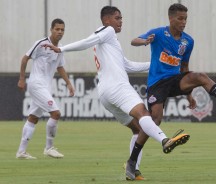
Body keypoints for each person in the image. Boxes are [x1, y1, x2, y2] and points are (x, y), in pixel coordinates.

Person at [43, 6, 190, 180]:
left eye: (121, 18)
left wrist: (156, 64)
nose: (121, 21)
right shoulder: (108, 31)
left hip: (105, 94)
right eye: (117, 18)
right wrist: (62, 49)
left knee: (138, 129)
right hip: (117, 86)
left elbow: (127, 65)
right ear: (107, 20)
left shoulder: (109, 41)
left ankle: (132, 170)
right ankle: (165, 140)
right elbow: (86, 41)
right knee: (144, 113)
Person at [131, 1, 216, 159]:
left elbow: (184, 67)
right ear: (171, 19)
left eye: (185, 19)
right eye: (180, 19)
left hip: (176, 80)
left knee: (200, 76)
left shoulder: (188, 41)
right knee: (155, 120)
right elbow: (133, 41)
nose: (183, 22)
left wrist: (189, 94)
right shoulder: (159, 33)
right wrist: (145, 41)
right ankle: (132, 161)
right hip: (157, 83)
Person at [16, 18, 75, 159]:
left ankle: (21, 152)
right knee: (56, 113)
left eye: (62, 29)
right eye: (57, 29)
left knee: (33, 118)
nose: (60, 32)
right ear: (51, 30)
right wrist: (22, 78)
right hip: (36, 84)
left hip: (45, 87)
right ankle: (49, 148)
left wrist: (68, 83)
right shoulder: (41, 44)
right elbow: (25, 59)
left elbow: (60, 67)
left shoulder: (60, 48)